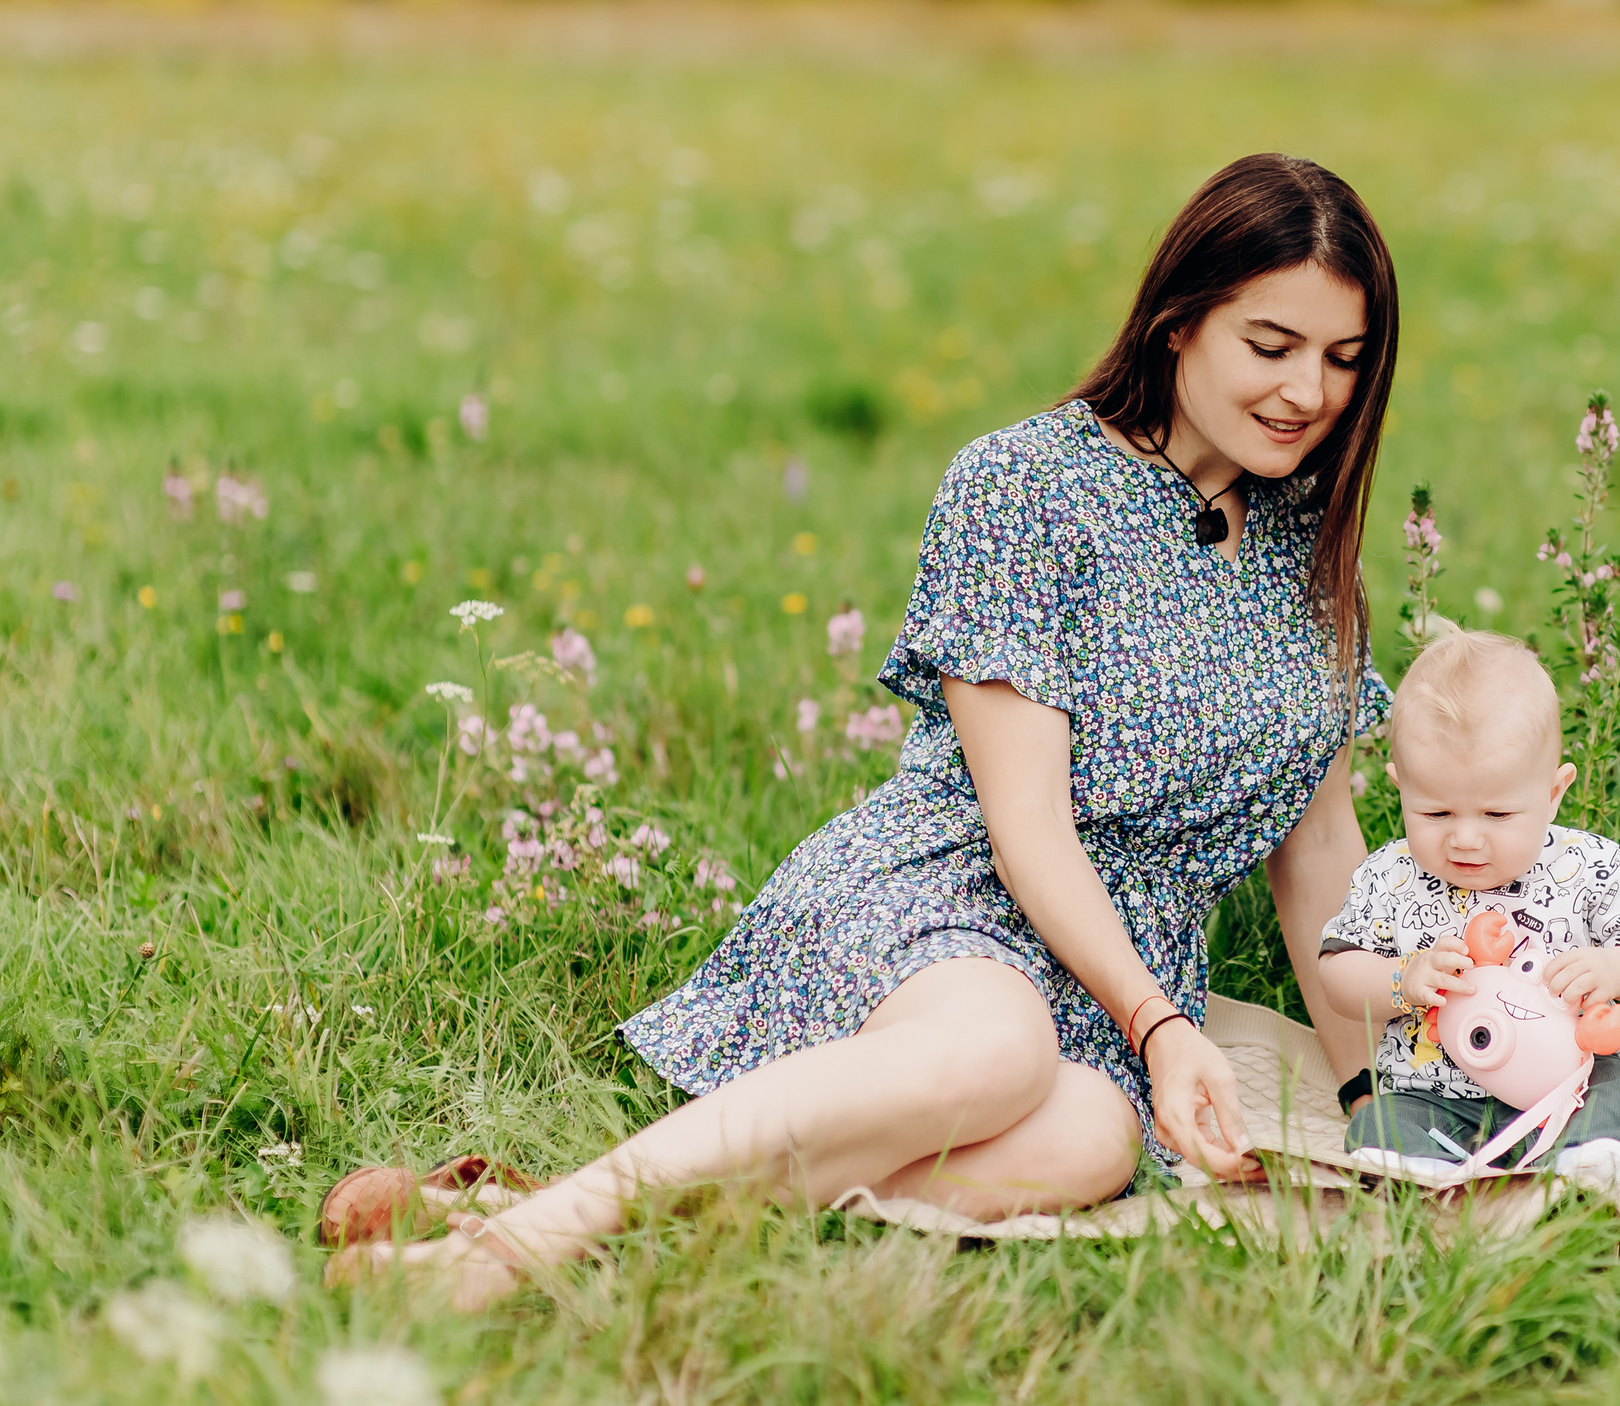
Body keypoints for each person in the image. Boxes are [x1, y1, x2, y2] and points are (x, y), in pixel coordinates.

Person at [327, 152, 1398, 1308]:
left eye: (1343, 359)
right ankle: (507, 1257)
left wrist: (1381, 1116)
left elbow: (1318, 847)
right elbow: (1025, 825)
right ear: (1179, 321)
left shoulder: (1307, 537)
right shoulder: (1025, 484)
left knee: (1091, 1141)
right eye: (1272, 345)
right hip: (943, 898)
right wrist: (1158, 1022)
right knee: (1001, 1052)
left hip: (1108, 987)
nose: (1308, 392)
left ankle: (530, 1211)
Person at [1316, 628, 1620, 1197]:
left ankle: (1583, 1159)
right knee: (1379, 1121)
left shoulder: (1588, 865)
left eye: (1497, 814)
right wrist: (1401, 979)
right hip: (1435, 1097)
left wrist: (1616, 970)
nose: (1465, 839)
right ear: (1400, 789)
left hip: (1568, 1089)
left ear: (1554, 792)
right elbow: (1336, 972)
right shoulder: (1390, 876)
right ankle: (1426, 1167)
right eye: (1435, 813)